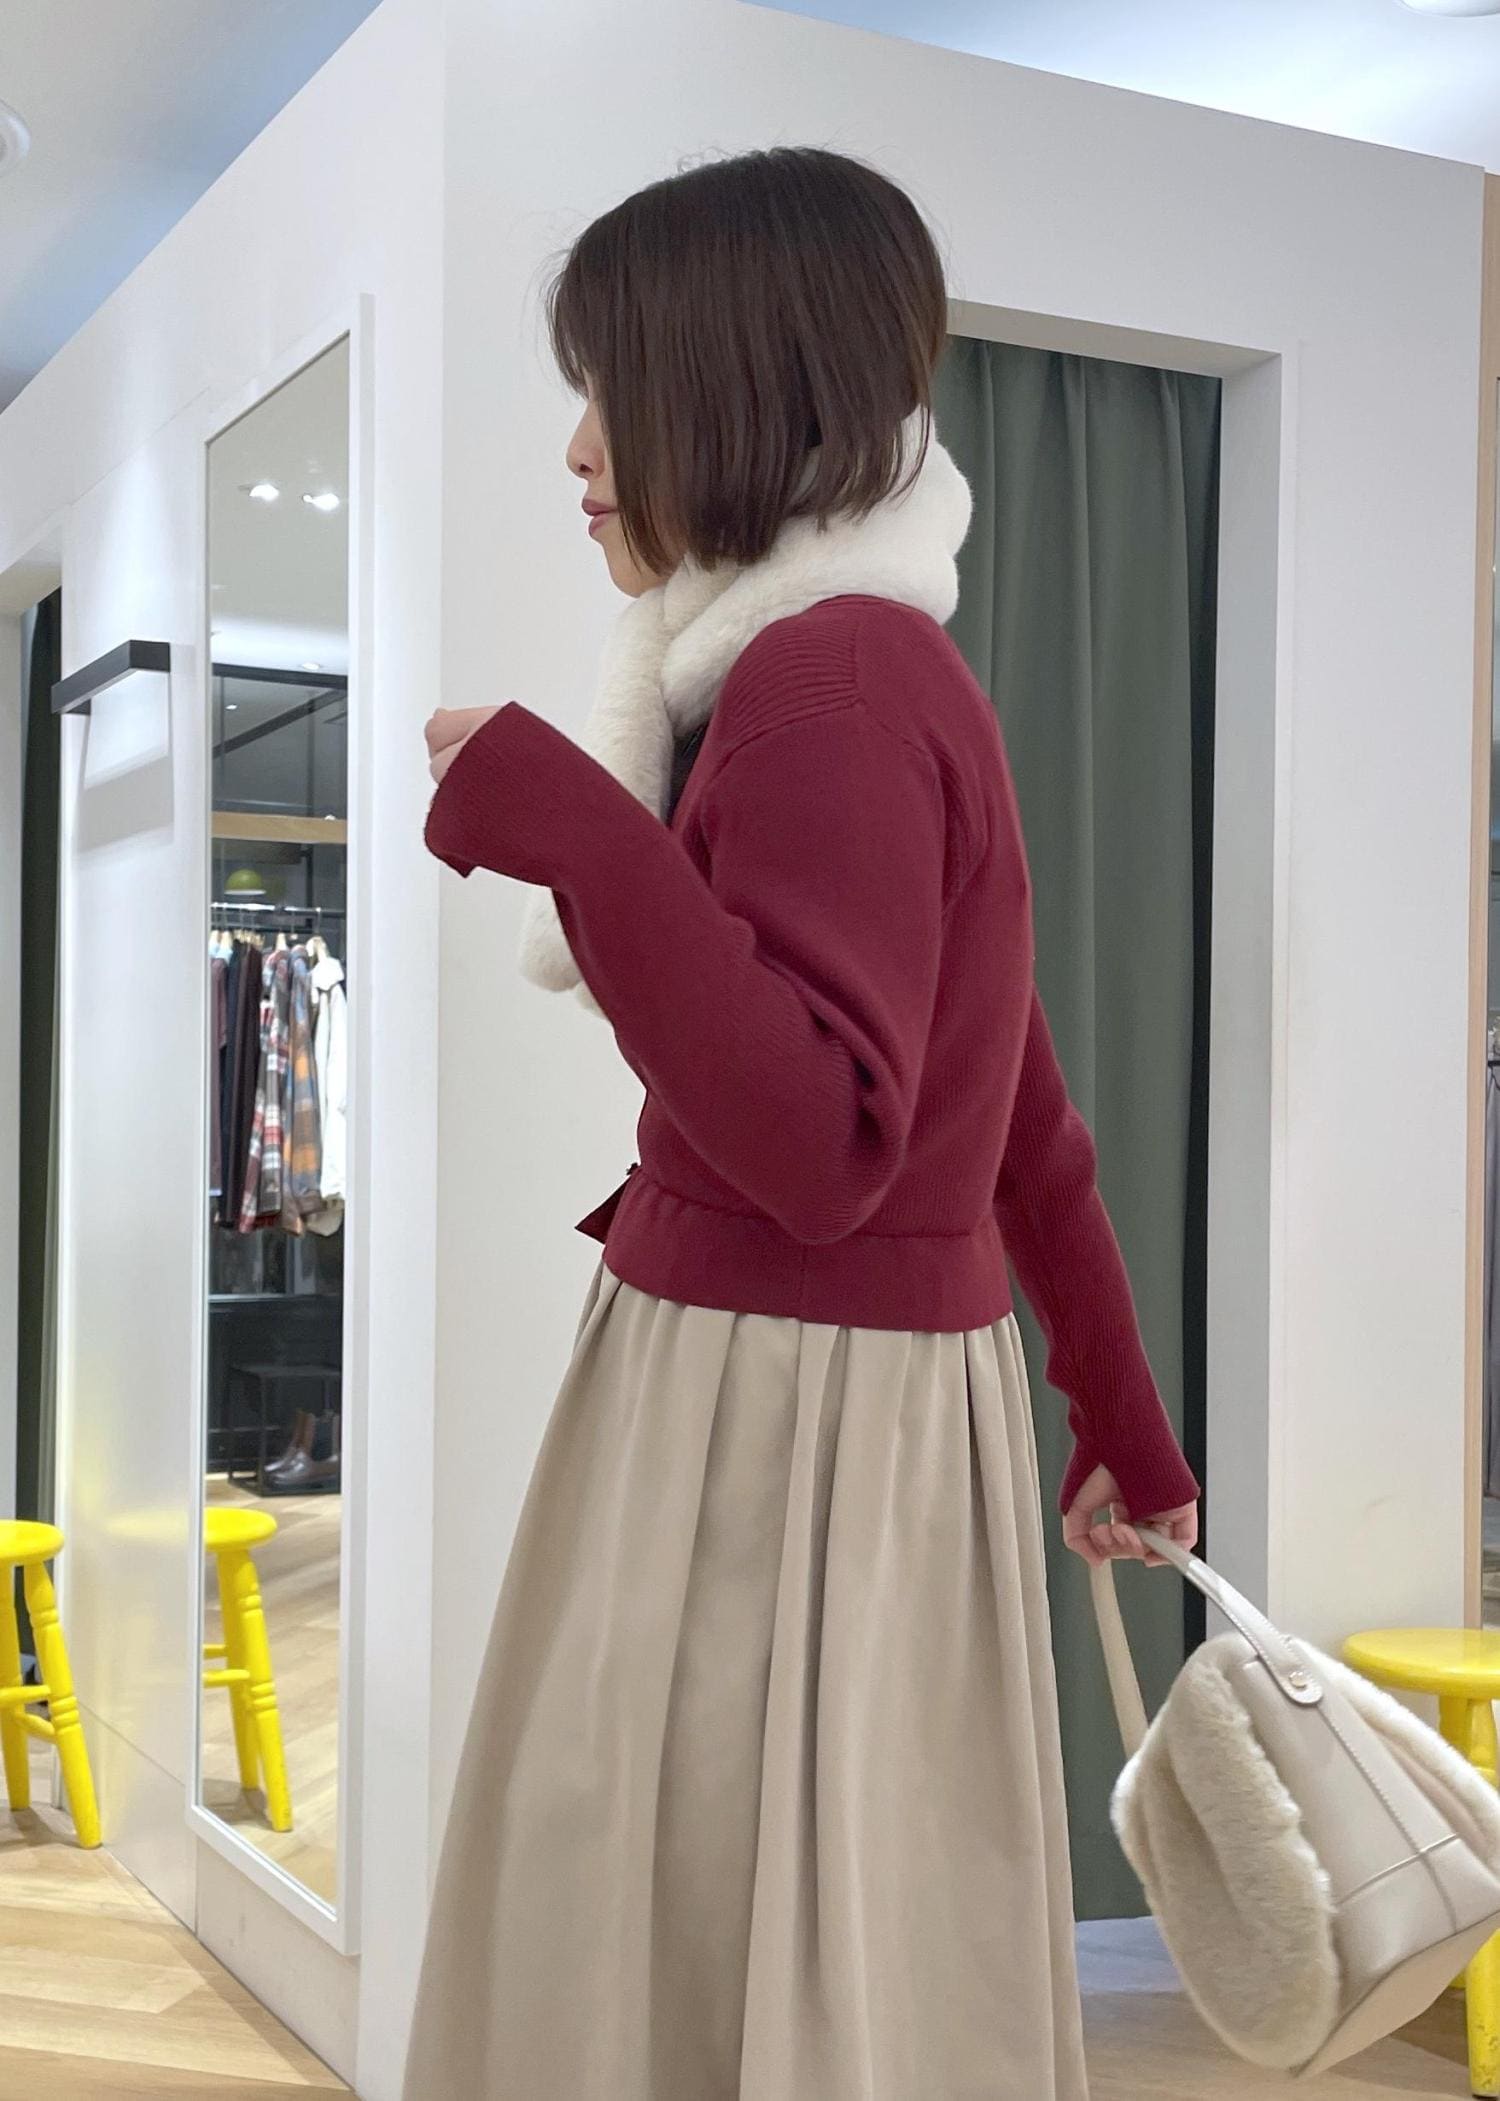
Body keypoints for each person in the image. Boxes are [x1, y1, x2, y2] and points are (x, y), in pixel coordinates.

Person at [402, 145, 1201, 2101]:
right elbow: (1016, 1108)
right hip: (845, 1411)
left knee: (678, 1944)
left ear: (738, 388)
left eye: (616, 387)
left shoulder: (824, 683)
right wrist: (1122, 1412)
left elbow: (825, 1139)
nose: (581, 447)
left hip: (777, 1420)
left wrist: (564, 816)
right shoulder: (861, 667)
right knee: (839, 1952)